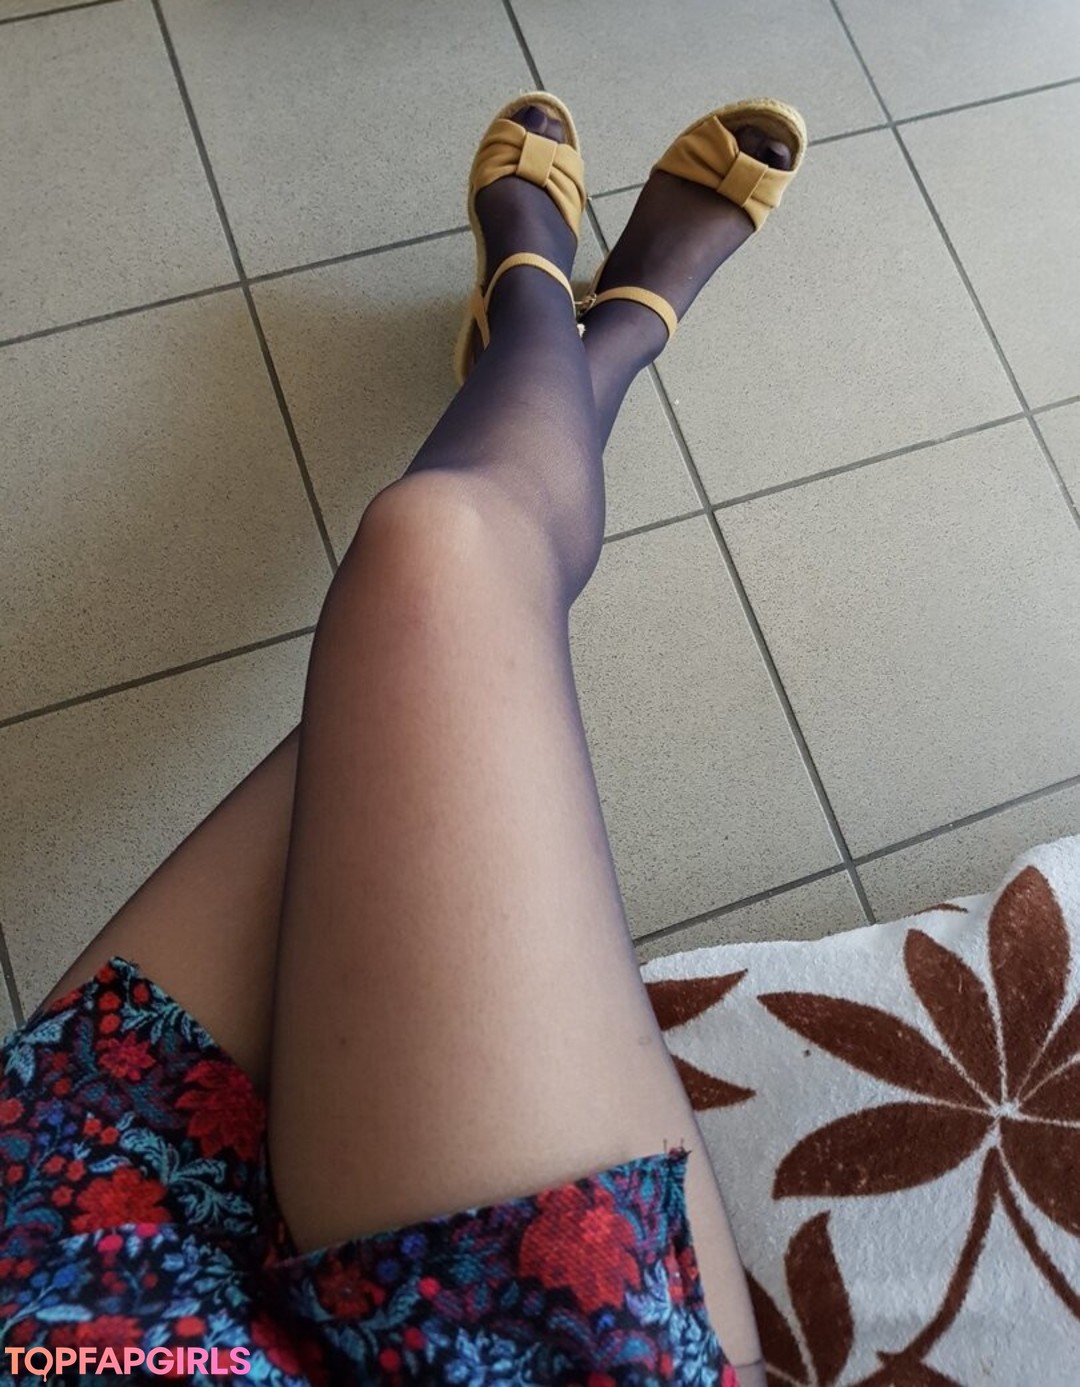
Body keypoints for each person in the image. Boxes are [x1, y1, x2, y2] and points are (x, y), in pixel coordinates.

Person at [0, 92, 804, 1385]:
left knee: (433, 628)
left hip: (79, 1290)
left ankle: (549, 332)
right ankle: (587, 341)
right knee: (446, 574)